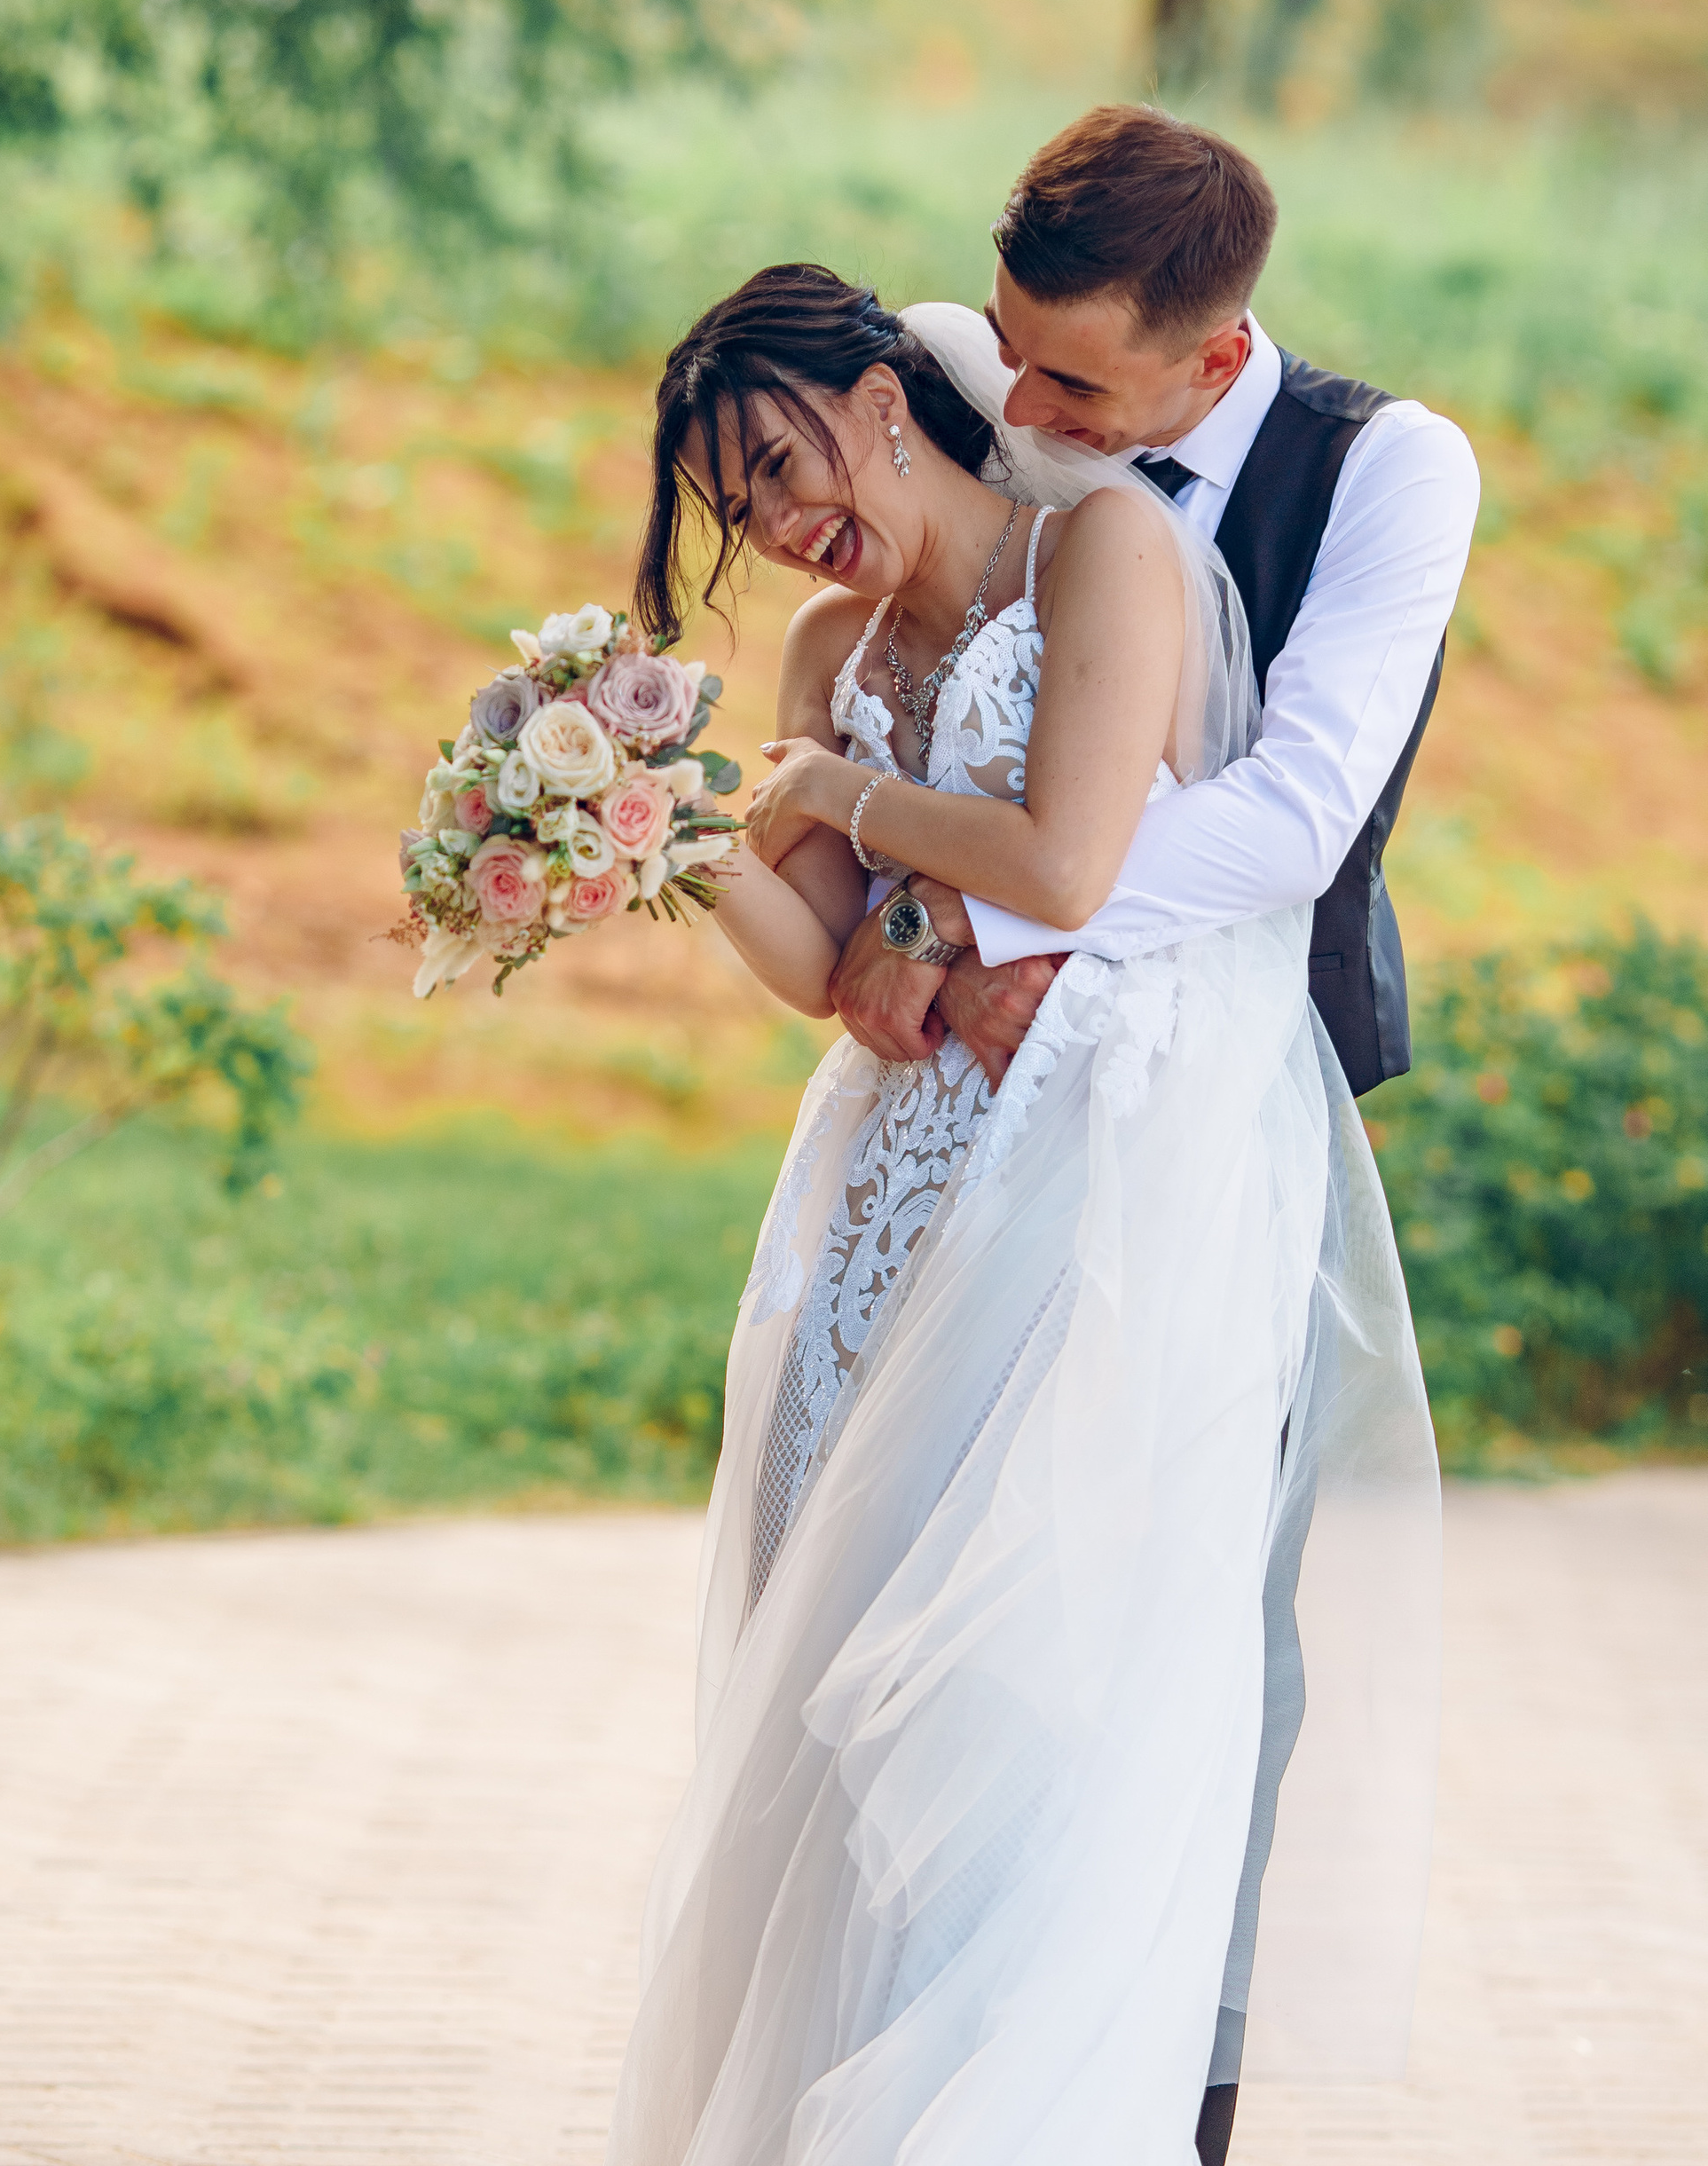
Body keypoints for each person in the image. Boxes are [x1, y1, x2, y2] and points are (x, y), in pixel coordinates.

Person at [607, 243, 1447, 2162]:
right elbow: (820, 964)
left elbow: (1069, 860)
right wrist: (637, 832)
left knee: (1010, 1665)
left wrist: (850, 800)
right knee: (830, 1642)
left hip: (1079, 1176)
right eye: (739, 506)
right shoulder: (831, 655)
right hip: (882, 1191)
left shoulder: (1099, 558)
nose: (781, 520)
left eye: (787, 462)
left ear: (883, 397)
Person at [821, 104, 1479, 2162]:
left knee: (1170, 1641)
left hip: (1226, 1134)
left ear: (1210, 359)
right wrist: (914, 912)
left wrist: (992, 907)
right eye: (1006, 350)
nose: (1014, 404)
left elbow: (1296, 811)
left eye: (1069, 380)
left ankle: (1136, 2111)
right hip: (958, 1134)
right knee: (916, 1612)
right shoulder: (980, 386)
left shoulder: (1379, 468)